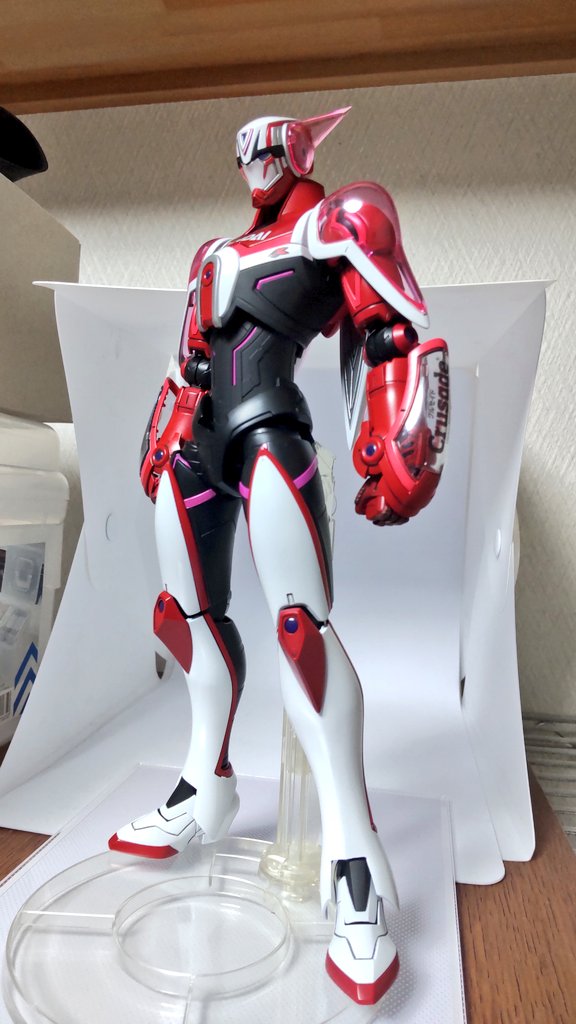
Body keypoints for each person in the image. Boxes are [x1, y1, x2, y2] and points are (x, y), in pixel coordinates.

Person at [109, 107, 449, 1004]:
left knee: (301, 629)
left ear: (301, 145)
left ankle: (352, 854)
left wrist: (400, 439)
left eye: (270, 142)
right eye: (243, 146)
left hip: (269, 432)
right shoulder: (214, 254)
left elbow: (391, 330)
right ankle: (203, 786)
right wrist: (164, 433)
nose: (255, 157)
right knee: (183, 616)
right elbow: (190, 364)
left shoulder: (338, 221)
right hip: (199, 440)